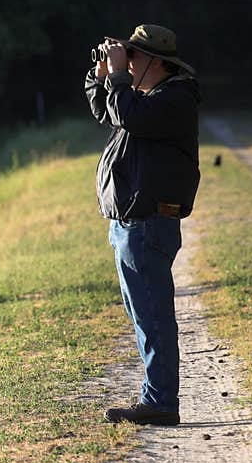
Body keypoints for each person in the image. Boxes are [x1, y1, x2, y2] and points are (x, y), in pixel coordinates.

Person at [83, 24, 201, 426]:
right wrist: (101, 75)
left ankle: (161, 402)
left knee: (152, 316)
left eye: (132, 56)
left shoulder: (175, 99)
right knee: (143, 315)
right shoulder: (143, 98)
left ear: (155, 62)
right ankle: (156, 397)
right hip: (129, 223)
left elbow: (129, 115)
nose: (127, 61)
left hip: (149, 223)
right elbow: (107, 111)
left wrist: (118, 78)